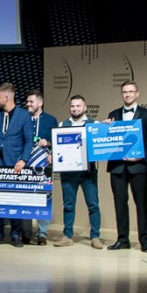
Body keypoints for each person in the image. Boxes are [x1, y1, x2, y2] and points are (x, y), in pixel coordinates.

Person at [105, 81, 147, 253]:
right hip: (117, 166)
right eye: (125, 92)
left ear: (137, 93)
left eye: (131, 91)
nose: (127, 94)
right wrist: (104, 129)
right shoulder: (113, 114)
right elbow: (107, 140)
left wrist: (141, 155)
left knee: (141, 203)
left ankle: (145, 241)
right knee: (119, 204)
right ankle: (122, 239)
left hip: (138, 166)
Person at [52, 95, 102, 249]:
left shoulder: (95, 124)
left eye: (78, 106)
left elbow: (101, 144)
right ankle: (67, 236)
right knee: (68, 205)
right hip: (68, 173)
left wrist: (106, 127)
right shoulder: (62, 125)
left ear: (85, 107)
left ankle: (95, 237)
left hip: (88, 173)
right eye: (72, 106)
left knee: (93, 205)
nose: (75, 109)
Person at [0, 82, 30, 246]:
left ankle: (16, 234)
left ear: (6, 97)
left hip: (15, 162)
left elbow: (28, 140)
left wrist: (23, 159)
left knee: (14, 199)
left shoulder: (23, 115)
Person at [19, 89, 57, 245]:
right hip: (25, 163)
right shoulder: (22, 118)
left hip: (43, 165)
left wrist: (49, 144)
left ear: (40, 103)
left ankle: (42, 233)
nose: (28, 104)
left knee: (44, 197)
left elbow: (57, 140)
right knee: (25, 197)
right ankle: (26, 233)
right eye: (27, 101)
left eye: (31, 102)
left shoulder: (51, 120)